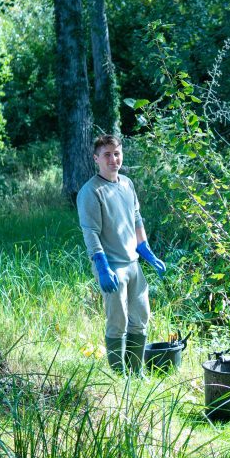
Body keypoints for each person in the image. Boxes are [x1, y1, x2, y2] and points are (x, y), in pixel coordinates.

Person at [76, 134, 166, 373]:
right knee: (118, 322)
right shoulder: (91, 191)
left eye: (117, 153)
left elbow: (136, 218)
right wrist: (102, 266)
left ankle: (136, 372)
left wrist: (146, 250)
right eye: (107, 155)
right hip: (110, 265)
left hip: (133, 263)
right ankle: (119, 375)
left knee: (141, 317)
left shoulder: (127, 184)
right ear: (96, 159)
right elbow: (91, 233)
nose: (113, 159)